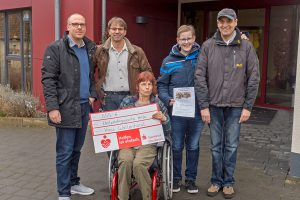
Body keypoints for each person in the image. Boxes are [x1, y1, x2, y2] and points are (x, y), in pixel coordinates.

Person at [194, 8, 260, 199]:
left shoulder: (246, 47)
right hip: (213, 105)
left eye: (228, 21)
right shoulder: (208, 46)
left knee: (231, 145)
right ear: (217, 24)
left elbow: (253, 77)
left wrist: (248, 106)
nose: (225, 25)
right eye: (221, 21)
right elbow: (200, 77)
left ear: (235, 22)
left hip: (236, 105)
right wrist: (204, 106)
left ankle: (228, 182)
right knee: (215, 146)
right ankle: (216, 181)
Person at [41, 13, 97, 200]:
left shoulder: (90, 48)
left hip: (83, 107)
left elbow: (91, 76)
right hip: (64, 108)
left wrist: (92, 94)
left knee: (76, 150)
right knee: (64, 152)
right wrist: (52, 108)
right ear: (68, 26)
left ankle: (73, 183)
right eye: (75, 24)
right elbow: (48, 80)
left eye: (82, 24)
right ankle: (63, 192)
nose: (79, 27)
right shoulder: (55, 48)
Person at [157, 25, 204, 194]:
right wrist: (166, 99)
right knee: (176, 146)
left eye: (189, 38)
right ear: (177, 40)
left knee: (193, 146)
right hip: (176, 112)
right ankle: (175, 178)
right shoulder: (168, 60)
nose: (186, 42)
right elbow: (161, 84)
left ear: (194, 38)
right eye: (182, 39)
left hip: (197, 111)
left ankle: (191, 180)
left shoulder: (201, 57)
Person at [117, 71, 171, 200]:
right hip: (129, 142)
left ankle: (147, 197)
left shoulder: (158, 104)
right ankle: (123, 197)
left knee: (138, 164)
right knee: (125, 161)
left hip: (148, 144)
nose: (147, 87)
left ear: (153, 87)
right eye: (143, 84)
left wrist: (164, 118)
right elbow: (116, 122)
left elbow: (169, 130)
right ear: (137, 86)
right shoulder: (127, 102)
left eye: (149, 84)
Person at [93, 16, 152, 112]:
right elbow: (88, 72)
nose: (117, 31)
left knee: (131, 127)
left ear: (125, 32)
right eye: (114, 29)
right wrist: (97, 90)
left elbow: (148, 73)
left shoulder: (137, 51)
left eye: (120, 29)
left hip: (132, 96)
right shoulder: (99, 51)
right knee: (111, 126)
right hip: (108, 98)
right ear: (109, 31)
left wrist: (147, 92)